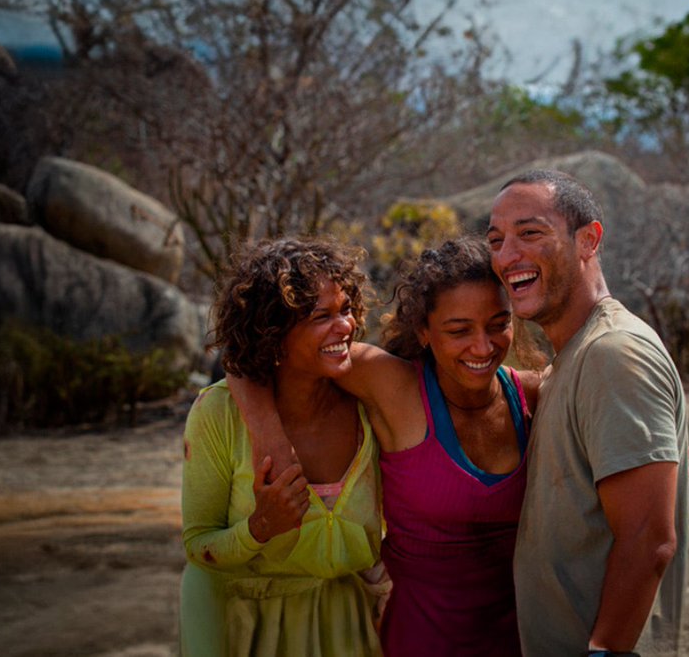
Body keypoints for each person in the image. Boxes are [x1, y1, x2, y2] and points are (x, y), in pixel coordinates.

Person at [228, 236, 543, 656]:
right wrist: (272, 439)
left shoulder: (532, 395)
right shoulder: (392, 385)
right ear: (424, 332)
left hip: (524, 640)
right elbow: (253, 353)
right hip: (420, 639)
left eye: (498, 324)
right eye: (459, 330)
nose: (483, 347)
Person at [486, 169, 689, 656]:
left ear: (588, 240)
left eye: (530, 233)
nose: (507, 255)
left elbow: (648, 539)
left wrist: (603, 651)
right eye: (496, 240)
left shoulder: (613, 352)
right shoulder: (572, 359)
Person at [179, 237, 386, 657]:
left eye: (346, 309)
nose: (345, 326)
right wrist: (259, 529)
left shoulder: (370, 405)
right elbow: (197, 542)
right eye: (320, 316)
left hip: (345, 628)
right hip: (243, 628)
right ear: (273, 332)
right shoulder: (218, 415)